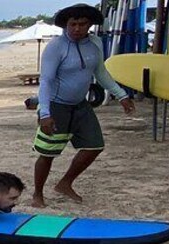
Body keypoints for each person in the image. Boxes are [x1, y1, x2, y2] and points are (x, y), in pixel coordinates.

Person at [33, 3, 135, 208]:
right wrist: (45, 113)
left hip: (81, 105)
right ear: (65, 25)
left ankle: (65, 183)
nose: (77, 28)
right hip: (56, 106)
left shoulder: (95, 43)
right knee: (48, 153)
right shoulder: (56, 47)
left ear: (90, 25)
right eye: (73, 24)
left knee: (95, 146)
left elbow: (101, 73)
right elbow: (46, 81)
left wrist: (121, 95)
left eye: (82, 24)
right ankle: (38, 194)